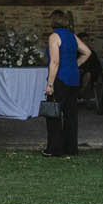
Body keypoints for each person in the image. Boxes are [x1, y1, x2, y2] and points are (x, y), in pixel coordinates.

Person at [42, 9, 92, 157]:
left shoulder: (54, 37)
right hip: (74, 78)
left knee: (54, 115)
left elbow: (55, 62)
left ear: (53, 22)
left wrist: (50, 84)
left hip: (60, 79)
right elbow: (87, 52)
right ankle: (71, 148)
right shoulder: (72, 36)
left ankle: (54, 149)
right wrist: (75, 65)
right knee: (71, 115)